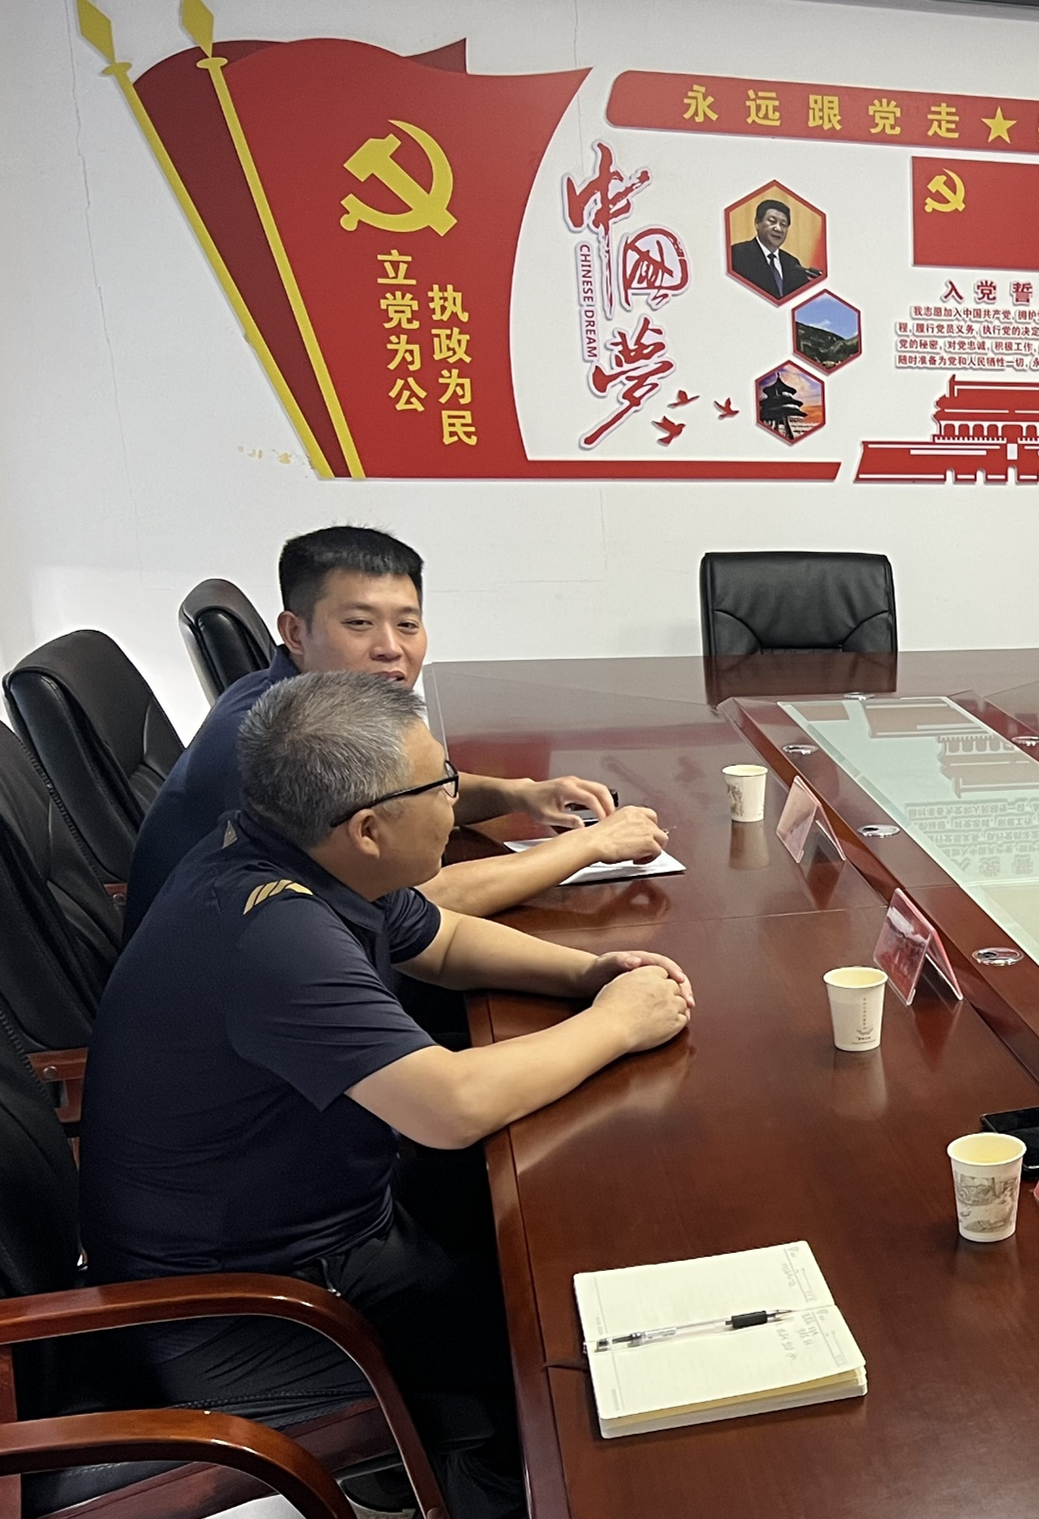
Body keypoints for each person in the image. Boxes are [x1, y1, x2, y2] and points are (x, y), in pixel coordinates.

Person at [80, 673, 695, 1519]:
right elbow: (449, 1108)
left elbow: (437, 941)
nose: (456, 800)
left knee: (552, 1241)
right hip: (250, 1309)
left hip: (311, 1229)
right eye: (440, 785)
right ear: (368, 828)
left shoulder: (282, 851)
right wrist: (617, 1025)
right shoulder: (271, 931)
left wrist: (590, 974)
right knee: (557, 1362)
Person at [127, 525, 667, 931]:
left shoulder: (309, 705)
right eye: (358, 623)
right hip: (226, 990)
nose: (391, 647)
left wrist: (520, 794)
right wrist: (592, 844)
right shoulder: (276, 746)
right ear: (294, 631)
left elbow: (406, 796)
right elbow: (413, 904)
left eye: (408, 623)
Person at [729, 198, 821, 300]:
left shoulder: (792, 263)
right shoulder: (737, 254)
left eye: (783, 224)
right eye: (772, 221)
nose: (778, 228)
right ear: (757, 223)